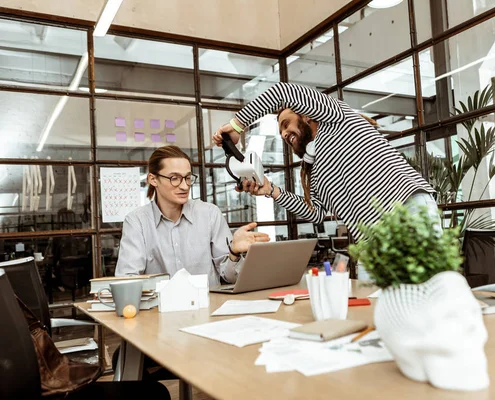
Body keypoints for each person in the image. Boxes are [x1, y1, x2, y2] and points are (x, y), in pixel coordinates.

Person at [212, 83, 440, 249]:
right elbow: (317, 212)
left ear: (307, 115)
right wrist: (272, 191)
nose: (283, 133)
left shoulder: (336, 117)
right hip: (372, 240)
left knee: (431, 295)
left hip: (405, 212)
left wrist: (237, 124)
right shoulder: (314, 166)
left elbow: (282, 92)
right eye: (280, 131)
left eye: (285, 124)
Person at [115, 145, 269, 286]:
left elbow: (231, 278)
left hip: (208, 310)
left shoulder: (209, 214)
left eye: (188, 178)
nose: (184, 186)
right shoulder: (136, 222)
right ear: (153, 179)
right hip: (160, 313)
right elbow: (127, 281)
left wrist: (234, 253)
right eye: (174, 178)